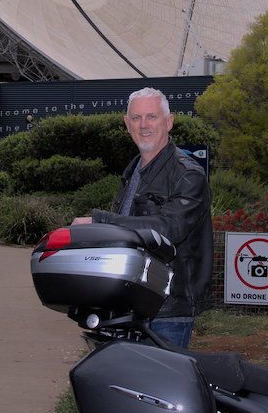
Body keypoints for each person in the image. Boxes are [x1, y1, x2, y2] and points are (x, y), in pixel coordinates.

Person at [73, 87, 212, 348]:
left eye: (152, 117)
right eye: (136, 118)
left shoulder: (188, 174)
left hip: (167, 310)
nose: (144, 125)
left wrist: (99, 222)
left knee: (159, 386)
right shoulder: (133, 171)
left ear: (168, 122)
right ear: (127, 124)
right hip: (130, 303)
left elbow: (168, 229)